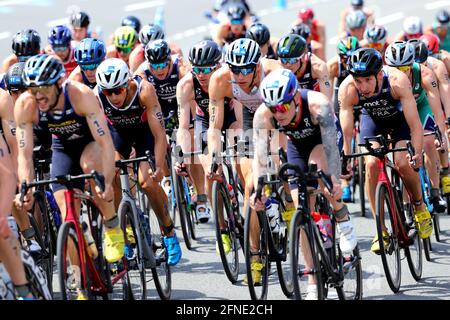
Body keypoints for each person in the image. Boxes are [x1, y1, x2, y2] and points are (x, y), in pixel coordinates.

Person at [15, 55, 125, 299]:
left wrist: (106, 182)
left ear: (58, 83)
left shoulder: (80, 94)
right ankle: (79, 282)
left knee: (90, 166)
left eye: (44, 88)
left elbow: (106, 143)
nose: (39, 96)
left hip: (91, 143)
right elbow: (23, 155)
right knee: (67, 216)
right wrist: (26, 187)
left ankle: (111, 225)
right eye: (33, 89)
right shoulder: (26, 104)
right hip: (62, 148)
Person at [251, 68, 357, 299]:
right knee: (301, 206)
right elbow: (260, 157)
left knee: (322, 176)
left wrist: (335, 180)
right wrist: (259, 189)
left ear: (296, 98)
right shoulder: (264, 115)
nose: (278, 114)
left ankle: (342, 217)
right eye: (273, 108)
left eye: (283, 107)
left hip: (323, 139)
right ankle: (312, 279)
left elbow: (331, 148)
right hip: (297, 144)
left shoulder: (318, 105)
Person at [338, 48, 432, 254]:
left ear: (380, 74)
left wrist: (416, 153)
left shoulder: (398, 81)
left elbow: (415, 126)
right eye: (358, 80)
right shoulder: (347, 89)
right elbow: (346, 133)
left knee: (403, 162)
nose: (362, 87)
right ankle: (381, 231)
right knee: (371, 164)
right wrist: (344, 158)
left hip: (400, 120)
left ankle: (419, 206)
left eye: (367, 80)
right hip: (372, 120)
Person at [206, 38, 280, 284]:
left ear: (257, 66)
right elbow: (214, 128)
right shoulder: (220, 80)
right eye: (234, 69)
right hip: (251, 120)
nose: (239, 75)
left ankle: (289, 210)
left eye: (246, 69)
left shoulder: (273, 72)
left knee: (283, 171)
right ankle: (256, 257)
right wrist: (214, 157)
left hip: (281, 117)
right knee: (250, 186)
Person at [95, 58, 181, 266]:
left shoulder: (145, 91)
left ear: (127, 84)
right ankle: (123, 233)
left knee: (147, 182)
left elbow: (160, 135)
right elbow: (99, 136)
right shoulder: (96, 96)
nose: (113, 97)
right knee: (112, 175)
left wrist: (159, 167)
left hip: (145, 134)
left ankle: (168, 231)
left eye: (117, 90)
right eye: (108, 92)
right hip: (117, 134)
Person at [175, 40, 241, 227]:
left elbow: (240, 117)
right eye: (197, 69)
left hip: (231, 116)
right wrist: (181, 156)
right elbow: (182, 126)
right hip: (204, 119)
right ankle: (222, 227)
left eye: (206, 69)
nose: (201, 75)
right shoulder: (186, 84)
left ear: (218, 66)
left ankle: (243, 186)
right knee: (209, 171)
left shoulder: (228, 77)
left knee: (240, 148)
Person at [385, 41, 449, 212]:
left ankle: (435, 192)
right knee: (402, 154)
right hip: (398, 110)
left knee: (429, 142)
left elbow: (436, 109)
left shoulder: (425, 74)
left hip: (421, 106)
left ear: (413, 64)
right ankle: (406, 200)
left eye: (405, 68)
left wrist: (441, 134)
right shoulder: (384, 78)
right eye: (395, 68)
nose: (400, 73)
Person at [409, 39, 450, 196]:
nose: (420, 67)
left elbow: (445, 91)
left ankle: (445, 172)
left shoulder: (436, 66)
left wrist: (448, 118)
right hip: (415, 100)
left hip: (433, 97)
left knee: (437, 138)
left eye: (423, 63)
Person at [0, 128, 35, 299]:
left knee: (2, 229)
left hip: (6, 170)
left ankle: (24, 291)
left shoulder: (4, 101)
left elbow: (7, 175)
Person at [277, 34, 333, 100]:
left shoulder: (318, 67)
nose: (288, 64)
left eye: (293, 60)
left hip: (313, 101)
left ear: (303, 57)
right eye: (284, 60)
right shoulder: (278, 65)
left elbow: (327, 100)